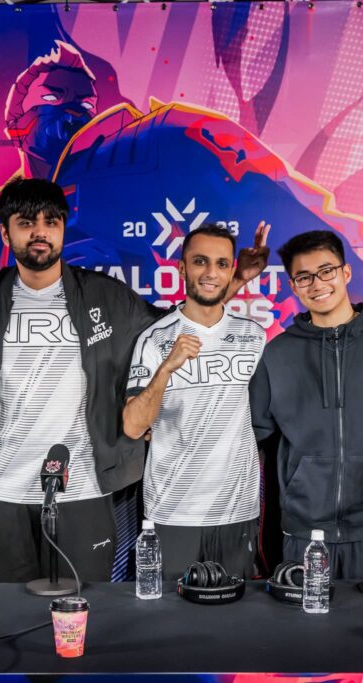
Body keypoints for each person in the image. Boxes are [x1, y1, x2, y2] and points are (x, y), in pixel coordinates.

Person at [0, 176, 268, 583]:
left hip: (84, 489)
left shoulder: (106, 295)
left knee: (86, 619)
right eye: (26, 223)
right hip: (1, 493)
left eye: (51, 222)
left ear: (64, 229)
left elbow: (181, 321)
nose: (40, 232)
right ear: (7, 233)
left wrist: (235, 280)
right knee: (5, 616)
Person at [250, 230, 363, 579]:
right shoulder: (277, 353)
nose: (317, 283)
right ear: (294, 286)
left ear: (345, 273)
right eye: (304, 277)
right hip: (303, 527)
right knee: (305, 627)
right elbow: (255, 433)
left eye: (326, 270)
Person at [123, 225, 265, 580]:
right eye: (200, 262)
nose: (211, 273)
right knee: (171, 623)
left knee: (236, 619)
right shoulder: (155, 340)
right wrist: (167, 369)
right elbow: (133, 425)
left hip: (238, 509)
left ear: (232, 270)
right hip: (174, 510)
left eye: (221, 263)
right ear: (182, 269)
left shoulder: (254, 336)